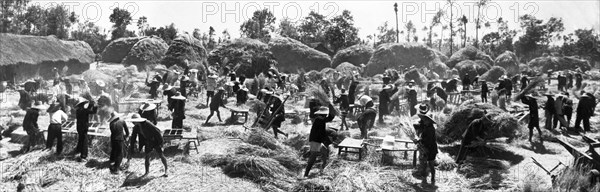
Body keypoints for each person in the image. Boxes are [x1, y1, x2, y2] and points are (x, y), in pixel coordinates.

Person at [304, 104, 336, 177]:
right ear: (324, 114)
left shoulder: (320, 119)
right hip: (315, 141)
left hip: (317, 140)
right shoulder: (319, 119)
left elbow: (328, 119)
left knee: (324, 152)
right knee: (313, 157)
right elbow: (328, 120)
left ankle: (323, 169)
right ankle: (306, 174)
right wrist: (332, 112)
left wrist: (332, 110)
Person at [413, 113, 438, 185]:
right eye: (424, 120)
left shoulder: (431, 129)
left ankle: (433, 178)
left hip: (431, 148)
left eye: (426, 120)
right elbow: (423, 137)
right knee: (424, 164)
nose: (425, 121)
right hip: (426, 147)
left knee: (431, 164)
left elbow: (428, 140)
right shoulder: (426, 127)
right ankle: (424, 178)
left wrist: (419, 141)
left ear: (429, 121)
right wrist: (419, 140)